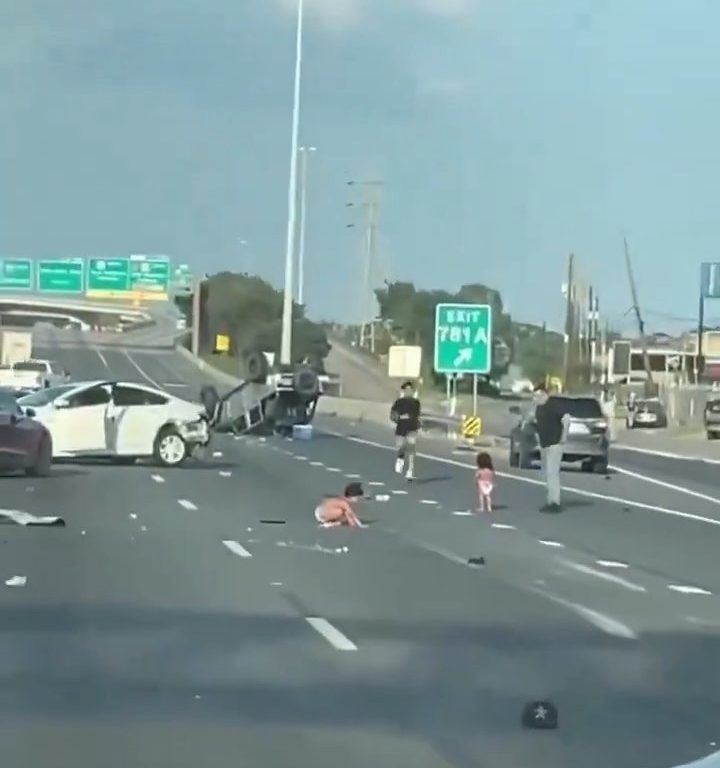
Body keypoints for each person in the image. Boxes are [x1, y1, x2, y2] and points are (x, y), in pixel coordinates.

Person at [533, 382, 570, 512]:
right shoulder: (539, 407)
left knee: (552, 473)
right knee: (546, 474)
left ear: (544, 394)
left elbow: (566, 419)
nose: (535, 398)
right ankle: (550, 500)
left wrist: (563, 437)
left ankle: (554, 502)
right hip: (544, 445)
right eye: (534, 396)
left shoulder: (554, 405)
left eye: (537, 396)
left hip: (555, 443)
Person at [390, 381, 421, 481]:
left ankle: (410, 470)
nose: (408, 392)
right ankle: (400, 458)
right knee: (401, 446)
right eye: (406, 390)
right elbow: (393, 415)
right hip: (401, 427)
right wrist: (398, 418)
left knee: (411, 447)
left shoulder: (416, 402)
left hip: (412, 427)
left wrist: (419, 423)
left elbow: (417, 415)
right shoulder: (399, 402)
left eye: (410, 390)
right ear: (403, 391)